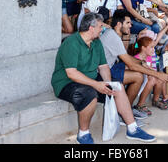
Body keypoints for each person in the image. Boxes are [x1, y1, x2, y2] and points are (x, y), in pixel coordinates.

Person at [51, 12, 156, 144]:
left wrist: (108, 84)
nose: (103, 29)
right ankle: (83, 134)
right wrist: (96, 85)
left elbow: (104, 66)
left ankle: (132, 128)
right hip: (66, 83)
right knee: (90, 95)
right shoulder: (71, 43)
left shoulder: (96, 43)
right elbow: (72, 73)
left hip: (89, 79)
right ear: (91, 28)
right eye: (101, 27)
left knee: (117, 87)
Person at [100, 10, 168, 117]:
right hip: (103, 72)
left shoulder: (113, 34)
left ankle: (126, 110)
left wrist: (141, 62)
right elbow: (131, 64)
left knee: (138, 68)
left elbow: (127, 57)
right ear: (119, 24)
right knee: (138, 76)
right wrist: (157, 74)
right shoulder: (113, 36)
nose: (131, 25)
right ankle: (125, 113)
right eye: (128, 23)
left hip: (111, 67)